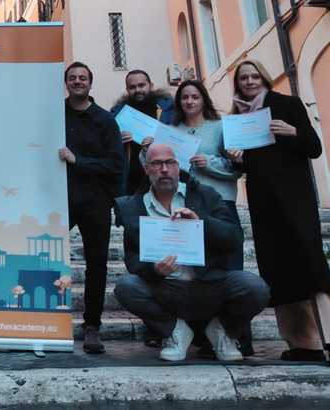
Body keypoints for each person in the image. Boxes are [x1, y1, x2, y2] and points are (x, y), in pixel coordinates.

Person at [226, 59, 330, 369]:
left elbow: (314, 147)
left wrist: (293, 131)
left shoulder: (287, 104)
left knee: (311, 263)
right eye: (244, 78)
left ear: (264, 78)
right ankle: (303, 344)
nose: (250, 82)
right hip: (263, 200)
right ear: (238, 84)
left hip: (296, 197)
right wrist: (236, 159)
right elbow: (246, 166)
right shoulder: (236, 118)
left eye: (255, 76)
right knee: (277, 266)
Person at [113, 144, 269, 363]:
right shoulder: (133, 206)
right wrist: (153, 269)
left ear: (178, 167)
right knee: (127, 286)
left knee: (256, 287)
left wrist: (201, 222)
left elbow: (234, 239)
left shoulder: (206, 195)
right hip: (166, 288)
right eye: (157, 163)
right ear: (147, 169)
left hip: (210, 284)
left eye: (169, 163)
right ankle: (175, 331)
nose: (164, 169)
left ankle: (222, 331)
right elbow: (132, 258)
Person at [171, 79, 252, 355]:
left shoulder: (220, 127)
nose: (189, 101)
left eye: (194, 96)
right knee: (198, 274)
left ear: (203, 99)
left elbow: (237, 167)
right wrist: (146, 151)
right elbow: (158, 167)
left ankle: (237, 337)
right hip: (186, 207)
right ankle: (206, 340)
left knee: (229, 270)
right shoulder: (172, 131)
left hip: (220, 205)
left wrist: (210, 162)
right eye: (184, 97)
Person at [58, 61, 123, 354]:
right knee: (45, 257)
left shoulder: (105, 120)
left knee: (96, 264)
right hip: (58, 198)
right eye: (72, 78)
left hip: (95, 199)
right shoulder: (54, 114)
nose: (77, 81)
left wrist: (78, 161)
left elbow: (115, 165)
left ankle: (92, 326)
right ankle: (42, 320)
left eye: (82, 77)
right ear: (66, 84)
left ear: (90, 83)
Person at [110, 70, 176, 196]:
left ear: (151, 85)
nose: (137, 90)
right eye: (132, 87)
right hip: (130, 181)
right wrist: (116, 140)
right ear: (127, 89)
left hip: (163, 177)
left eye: (141, 85)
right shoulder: (118, 114)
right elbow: (105, 146)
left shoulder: (169, 110)